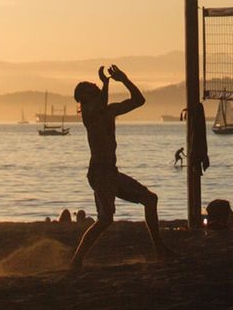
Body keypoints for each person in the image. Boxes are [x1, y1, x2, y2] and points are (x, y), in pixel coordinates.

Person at [70, 64, 168, 268]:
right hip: (99, 174)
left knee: (150, 199)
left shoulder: (109, 110)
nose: (95, 89)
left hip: (111, 173)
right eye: (90, 90)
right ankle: (77, 261)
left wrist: (124, 79)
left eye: (94, 87)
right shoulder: (89, 114)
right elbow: (99, 105)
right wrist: (106, 84)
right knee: (105, 221)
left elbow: (139, 100)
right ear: (83, 100)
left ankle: (160, 250)